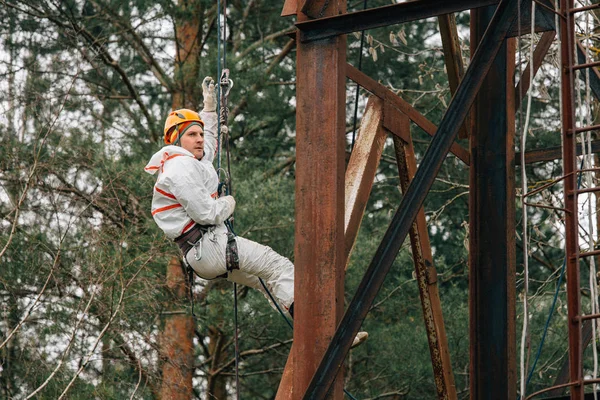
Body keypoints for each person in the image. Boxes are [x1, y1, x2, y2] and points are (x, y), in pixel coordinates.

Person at [145, 77, 367, 346]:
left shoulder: (191, 161)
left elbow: (211, 144)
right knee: (278, 266)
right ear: (175, 139)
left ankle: (314, 335)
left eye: (200, 133)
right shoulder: (180, 168)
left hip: (202, 253)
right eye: (192, 134)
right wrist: (227, 204)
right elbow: (205, 213)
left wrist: (210, 108)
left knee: (268, 281)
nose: (200, 139)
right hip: (209, 244)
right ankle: (326, 332)